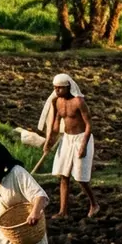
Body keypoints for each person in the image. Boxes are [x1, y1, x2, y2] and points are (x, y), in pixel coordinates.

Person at [41, 74, 99, 218]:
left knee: (80, 178)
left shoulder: (79, 102)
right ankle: (63, 212)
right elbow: (56, 125)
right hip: (67, 139)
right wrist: (49, 142)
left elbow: (89, 126)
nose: (57, 90)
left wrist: (83, 146)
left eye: (60, 88)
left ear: (68, 87)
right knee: (64, 175)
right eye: (55, 88)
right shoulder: (57, 102)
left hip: (81, 138)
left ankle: (94, 204)